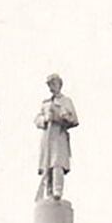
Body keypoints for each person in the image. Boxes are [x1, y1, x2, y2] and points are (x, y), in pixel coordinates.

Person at [34, 72, 79, 201]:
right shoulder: (45, 103)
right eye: (49, 85)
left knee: (57, 164)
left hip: (59, 135)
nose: (51, 87)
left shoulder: (66, 101)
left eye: (53, 84)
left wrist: (61, 116)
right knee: (47, 166)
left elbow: (74, 119)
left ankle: (57, 190)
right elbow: (37, 119)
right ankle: (48, 193)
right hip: (47, 136)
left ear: (59, 84)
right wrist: (45, 119)